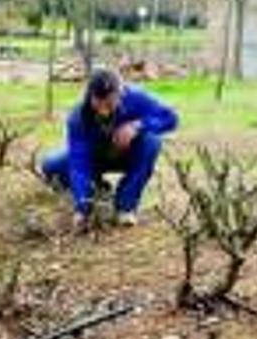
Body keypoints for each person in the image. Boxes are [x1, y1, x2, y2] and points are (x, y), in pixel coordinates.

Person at [41, 68, 179, 229]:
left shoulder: (135, 97)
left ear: (120, 93)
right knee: (51, 165)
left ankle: (125, 206)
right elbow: (79, 164)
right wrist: (82, 207)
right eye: (98, 105)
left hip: (128, 155)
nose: (104, 112)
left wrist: (138, 125)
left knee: (152, 141)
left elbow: (171, 118)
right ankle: (99, 191)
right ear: (90, 95)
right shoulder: (78, 117)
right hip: (96, 158)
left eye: (109, 104)